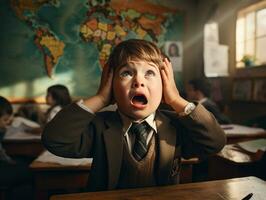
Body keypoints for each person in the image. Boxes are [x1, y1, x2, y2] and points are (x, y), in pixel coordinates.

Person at [42, 39, 226, 191]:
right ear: (111, 85)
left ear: (164, 85)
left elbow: (215, 143)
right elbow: (54, 140)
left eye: (150, 73)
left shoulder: (177, 127)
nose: (138, 81)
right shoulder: (99, 127)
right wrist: (100, 98)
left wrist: (176, 99)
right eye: (127, 73)